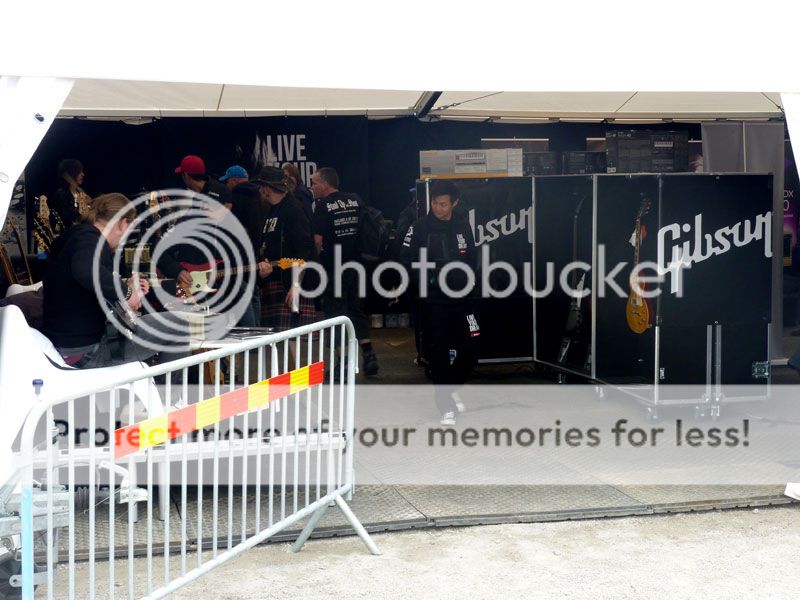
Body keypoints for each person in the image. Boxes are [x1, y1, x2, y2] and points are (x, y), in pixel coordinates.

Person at [42, 193, 188, 369]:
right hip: (86, 351)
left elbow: (86, 287)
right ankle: (171, 396)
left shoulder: (75, 237)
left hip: (70, 345)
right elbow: (86, 271)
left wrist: (128, 289)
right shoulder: (90, 239)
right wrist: (127, 294)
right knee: (178, 324)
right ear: (122, 223)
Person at [401, 180, 480, 425]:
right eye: (435, 203)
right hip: (433, 301)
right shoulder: (420, 227)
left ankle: (450, 388)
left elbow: (472, 258)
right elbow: (405, 259)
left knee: (472, 347)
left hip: (463, 299)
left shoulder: (462, 224)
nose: (438, 207)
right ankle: (445, 405)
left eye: (443, 204)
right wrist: (425, 280)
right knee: (439, 352)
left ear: (454, 203)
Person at [310, 167, 379, 376]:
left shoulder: (323, 206)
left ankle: (345, 362)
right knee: (357, 310)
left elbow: (318, 240)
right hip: (358, 265)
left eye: (314, 183)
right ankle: (369, 357)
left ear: (325, 184)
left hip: (334, 268)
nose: (312, 188)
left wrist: (319, 259)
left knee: (336, 314)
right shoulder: (356, 200)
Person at [253, 166, 316, 331]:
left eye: (261, 186)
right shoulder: (271, 210)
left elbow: (304, 249)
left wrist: (296, 285)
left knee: (295, 338)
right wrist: (264, 269)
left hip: (291, 284)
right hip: (275, 283)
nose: (260, 190)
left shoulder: (293, 208)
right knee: (284, 342)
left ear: (267, 188)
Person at [157, 155, 233, 289]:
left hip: (219, 267)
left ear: (185, 175)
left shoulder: (219, 192)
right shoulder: (201, 197)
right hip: (201, 270)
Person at [50, 159, 89, 231]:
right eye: (79, 172)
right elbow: (65, 219)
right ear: (72, 173)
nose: (83, 174)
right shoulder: (61, 195)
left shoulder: (81, 193)